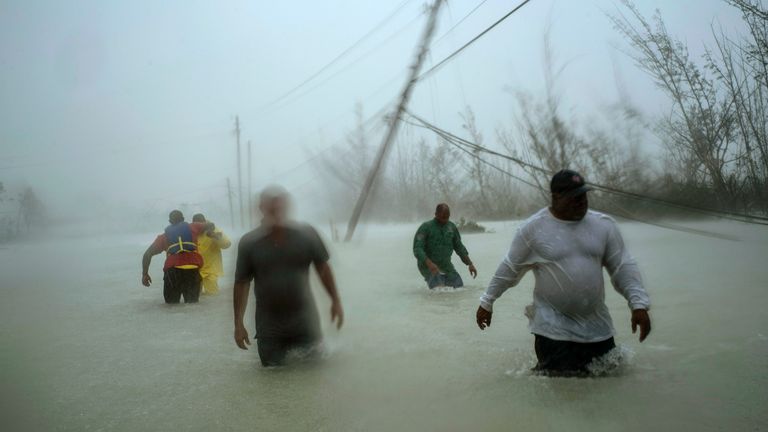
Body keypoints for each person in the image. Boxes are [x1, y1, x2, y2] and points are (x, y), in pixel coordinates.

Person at [475, 170, 652, 376]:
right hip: (552, 331)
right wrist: (487, 302)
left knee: (608, 386)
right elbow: (509, 269)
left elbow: (623, 267)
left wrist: (638, 304)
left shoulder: (603, 225)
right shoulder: (533, 229)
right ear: (556, 197)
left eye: (584, 196)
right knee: (561, 393)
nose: (581, 202)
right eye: (574, 197)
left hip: (597, 329)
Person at [233, 186, 344, 367]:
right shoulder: (249, 243)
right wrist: (238, 323)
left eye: (280, 207)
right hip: (269, 328)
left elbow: (323, 268)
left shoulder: (306, 235)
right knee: (272, 379)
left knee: (315, 378)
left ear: (287, 208)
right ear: (261, 209)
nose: (276, 212)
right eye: (271, 208)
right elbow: (241, 283)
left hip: (305, 323)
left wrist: (336, 301)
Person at [141, 210, 214, 304]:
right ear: (183, 219)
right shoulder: (194, 227)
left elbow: (147, 255)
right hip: (192, 271)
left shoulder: (163, 237)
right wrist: (209, 232)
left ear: (170, 222)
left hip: (172, 272)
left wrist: (145, 274)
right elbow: (211, 225)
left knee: (172, 306)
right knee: (192, 305)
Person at [413, 203, 477, 289]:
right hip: (428, 266)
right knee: (438, 291)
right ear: (436, 214)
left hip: (446, 265)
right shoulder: (426, 227)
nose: (445, 220)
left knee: (459, 287)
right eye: (443, 217)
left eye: (447, 217)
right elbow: (417, 249)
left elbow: (459, 247)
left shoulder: (451, 227)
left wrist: (470, 264)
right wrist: (429, 263)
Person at [192, 213, 231, 295]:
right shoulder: (192, 231)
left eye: (201, 225)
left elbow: (227, 244)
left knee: (212, 296)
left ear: (205, 223)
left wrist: (214, 236)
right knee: (194, 298)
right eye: (197, 226)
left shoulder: (213, 229)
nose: (199, 227)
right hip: (195, 270)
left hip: (210, 270)